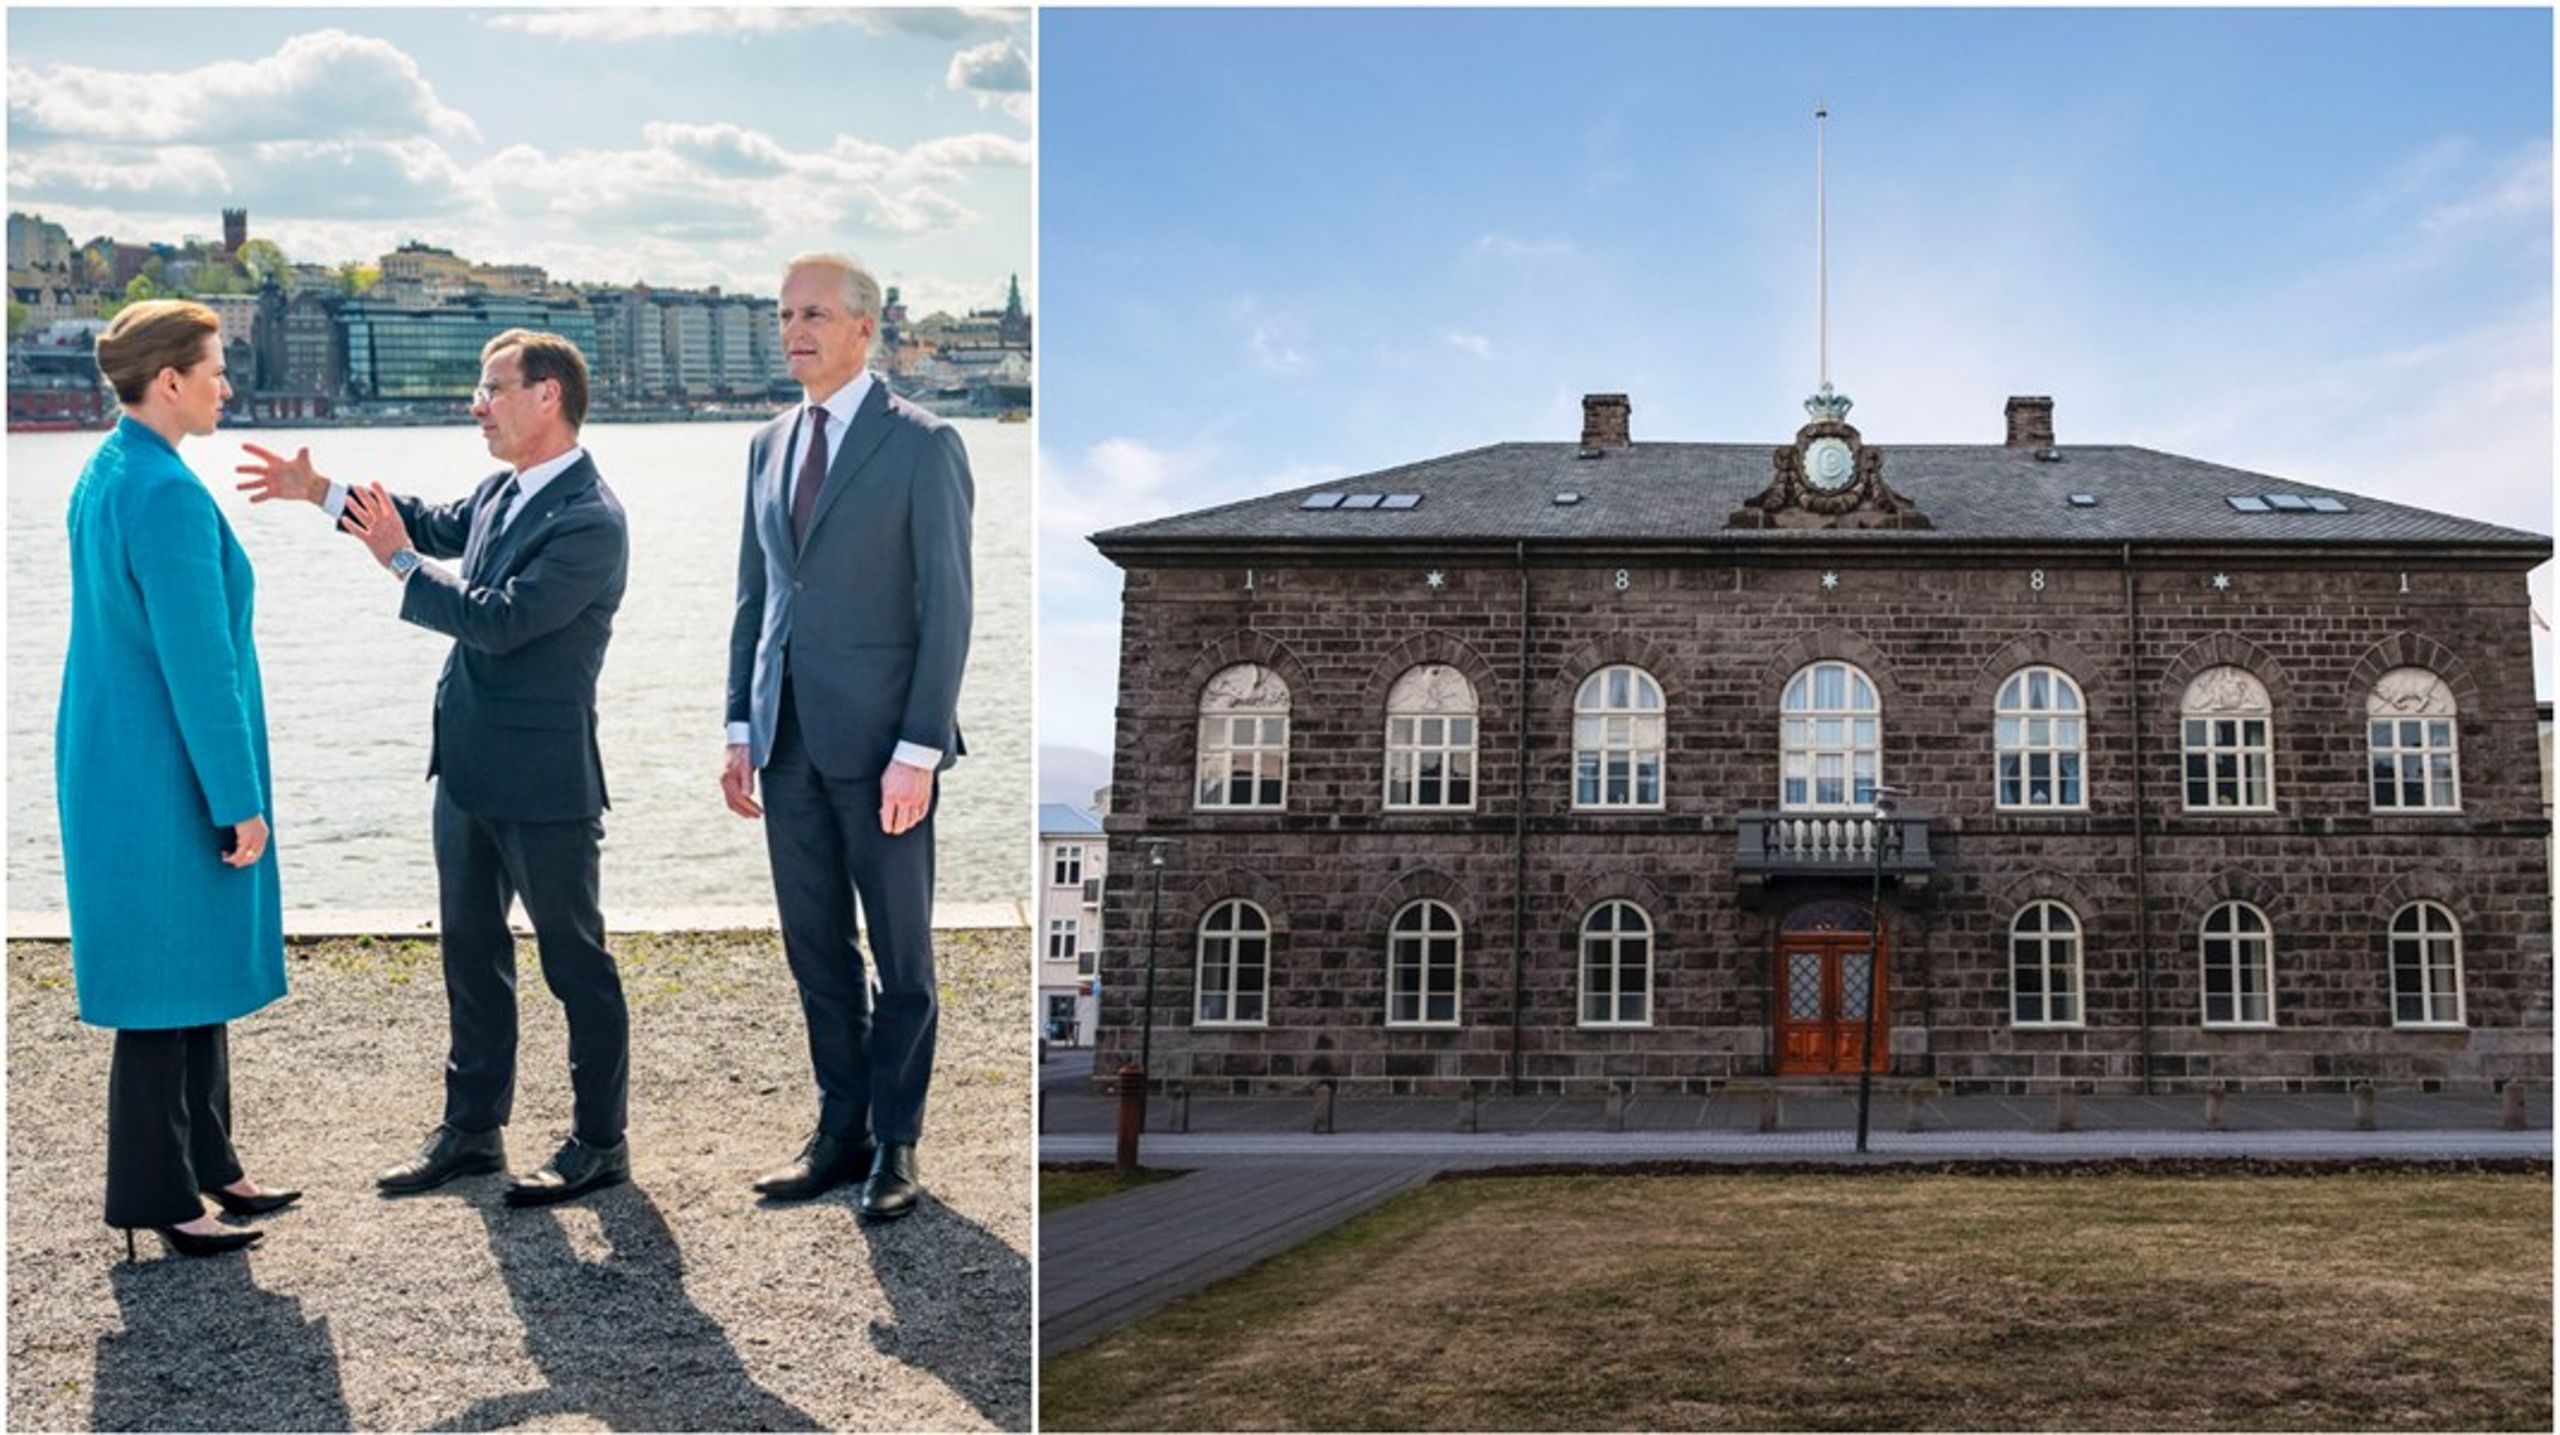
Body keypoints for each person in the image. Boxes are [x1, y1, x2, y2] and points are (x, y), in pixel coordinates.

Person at [234, 329, 632, 1207]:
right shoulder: (502, 490)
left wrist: (400, 564)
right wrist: (318, 491)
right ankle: (473, 1130)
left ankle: (600, 1142)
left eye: (492, 388)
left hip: (545, 783)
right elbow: (422, 518)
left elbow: (500, 619)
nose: (476, 404)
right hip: (466, 768)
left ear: (547, 398)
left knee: (576, 963)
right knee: (470, 953)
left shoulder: (592, 520)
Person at [723, 252, 974, 1219]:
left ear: (866, 327)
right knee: (815, 947)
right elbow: (757, 597)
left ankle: (898, 1146)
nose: (795, 330)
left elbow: (946, 606)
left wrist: (920, 747)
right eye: (785, 314)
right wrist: (739, 723)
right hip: (784, 739)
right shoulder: (766, 443)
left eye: (815, 313)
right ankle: (840, 1130)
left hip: (881, 750)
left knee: (901, 956)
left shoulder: (924, 443)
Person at [58, 299, 298, 1260]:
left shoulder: (114, 466)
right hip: (166, 768)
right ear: (170, 381)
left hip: (123, 751)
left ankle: (213, 1162)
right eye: (215, 367)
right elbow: (199, 663)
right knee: (164, 985)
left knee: (191, 969)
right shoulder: (162, 493)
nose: (227, 384)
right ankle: (159, 1194)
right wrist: (237, 797)